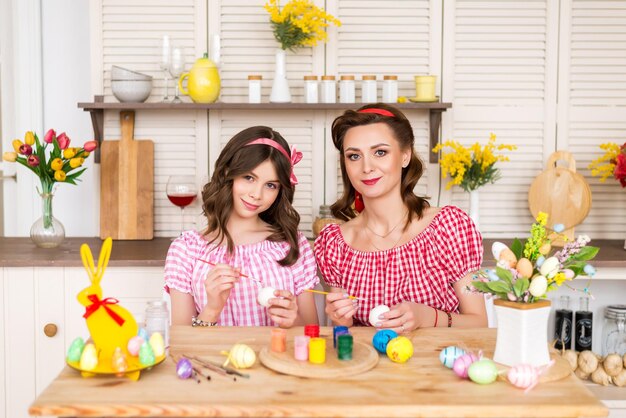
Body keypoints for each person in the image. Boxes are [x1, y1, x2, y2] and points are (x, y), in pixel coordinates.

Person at [314, 103, 487, 333]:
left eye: (380, 152)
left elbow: (479, 323)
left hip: (435, 367)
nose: (366, 167)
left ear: (405, 156)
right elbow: (343, 336)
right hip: (369, 368)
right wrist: (340, 322)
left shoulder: (449, 228)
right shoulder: (335, 245)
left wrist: (429, 316)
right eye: (354, 156)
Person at [166, 126, 319, 327]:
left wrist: (293, 320)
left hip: (274, 358)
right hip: (210, 359)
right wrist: (212, 309)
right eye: (249, 178)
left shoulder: (291, 244)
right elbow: (181, 344)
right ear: (228, 173)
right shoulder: (187, 250)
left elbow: (311, 332)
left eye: (271, 185)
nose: (257, 194)